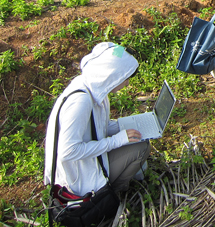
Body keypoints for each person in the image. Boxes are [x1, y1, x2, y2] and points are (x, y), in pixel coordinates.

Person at [44, 42, 151, 198]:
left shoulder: (94, 90)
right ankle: (110, 196)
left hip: (84, 163)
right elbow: (67, 152)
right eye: (125, 78)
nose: (127, 83)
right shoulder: (81, 102)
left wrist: (128, 125)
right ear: (112, 74)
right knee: (142, 147)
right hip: (76, 179)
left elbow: (100, 126)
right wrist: (116, 141)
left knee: (137, 140)